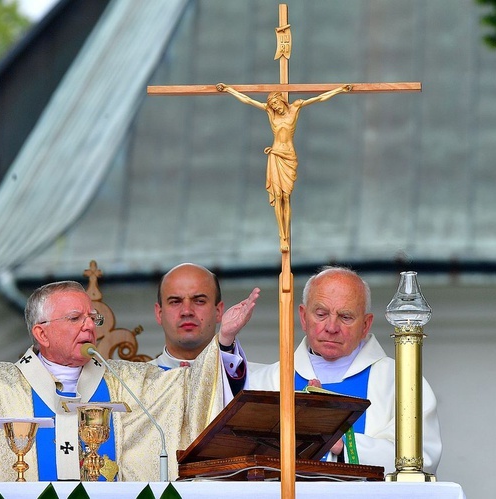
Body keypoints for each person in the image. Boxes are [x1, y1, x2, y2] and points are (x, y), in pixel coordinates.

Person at [0, 281, 236, 482]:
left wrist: (223, 343)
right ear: (42, 333)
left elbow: (191, 392)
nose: (89, 325)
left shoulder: (131, 383)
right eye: (75, 317)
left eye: (91, 317)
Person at [248, 266, 442, 474]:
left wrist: (342, 444)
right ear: (303, 317)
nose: (331, 327)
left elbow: (422, 457)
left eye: (346, 317)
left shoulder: (400, 382)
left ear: (366, 325)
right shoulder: (268, 382)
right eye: (321, 314)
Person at [216, 83, 352, 252]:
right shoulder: (270, 114)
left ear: (282, 100)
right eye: (272, 106)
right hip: (274, 155)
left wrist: (339, 90)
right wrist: (229, 90)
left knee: (286, 197)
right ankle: (283, 236)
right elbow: (248, 100)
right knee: (278, 195)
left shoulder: (295, 108)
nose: (275, 107)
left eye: (276, 104)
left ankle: (287, 233)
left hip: (288, 157)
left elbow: (319, 98)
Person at [152, 263, 260, 391]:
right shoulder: (133, 384)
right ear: (159, 314)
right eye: (175, 301)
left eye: (199, 301)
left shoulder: (261, 381)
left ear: (218, 311)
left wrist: (226, 343)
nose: (187, 311)